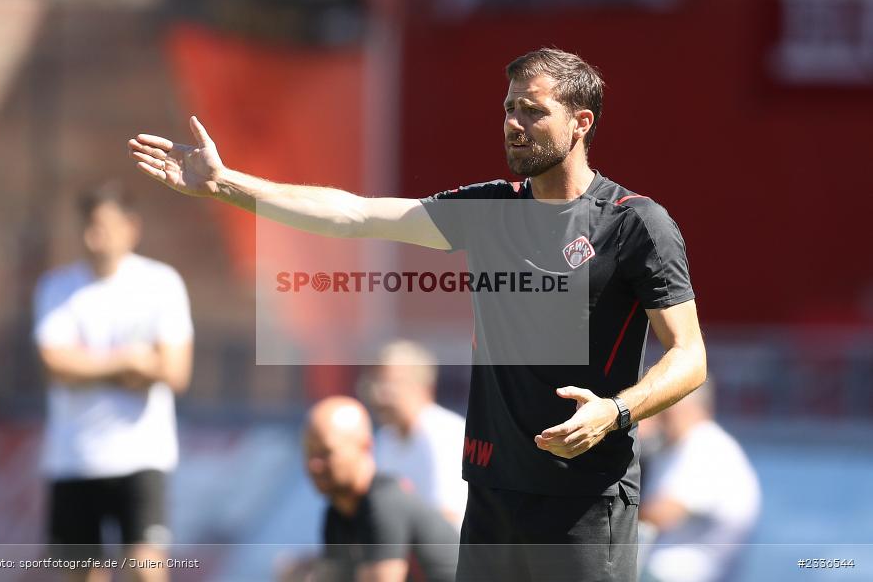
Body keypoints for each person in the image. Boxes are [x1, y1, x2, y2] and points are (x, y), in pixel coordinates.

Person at [129, 47, 707, 582]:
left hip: (585, 501)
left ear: (580, 122)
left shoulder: (635, 224)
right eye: (508, 108)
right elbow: (353, 215)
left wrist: (614, 412)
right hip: (493, 496)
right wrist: (226, 184)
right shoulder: (489, 210)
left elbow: (690, 357)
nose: (513, 122)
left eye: (533, 110)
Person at [33, 183, 194, 582]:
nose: (95, 237)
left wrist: (87, 366)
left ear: (131, 227)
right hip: (73, 456)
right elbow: (56, 365)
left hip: (141, 455)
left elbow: (175, 370)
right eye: (89, 226)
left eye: (104, 226)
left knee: (145, 568)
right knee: (83, 574)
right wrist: (127, 361)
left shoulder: (160, 283)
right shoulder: (57, 287)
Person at [303, 396, 459, 582]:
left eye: (326, 452)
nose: (314, 464)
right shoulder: (337, 515)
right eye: (309, 452)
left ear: (365, 447)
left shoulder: (385, 504)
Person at [639, 379, 761, 582]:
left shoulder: (705, 445)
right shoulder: (679, 444)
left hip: (680, 572)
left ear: (683, 405)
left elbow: (663, 513)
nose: (656, 413)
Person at [360, 340, 467, 529]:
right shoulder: (386, 438)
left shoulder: (444, 435)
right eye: (376, 383)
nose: (378, 396)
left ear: (421, 387)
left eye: (389, 385)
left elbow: (448, 519)